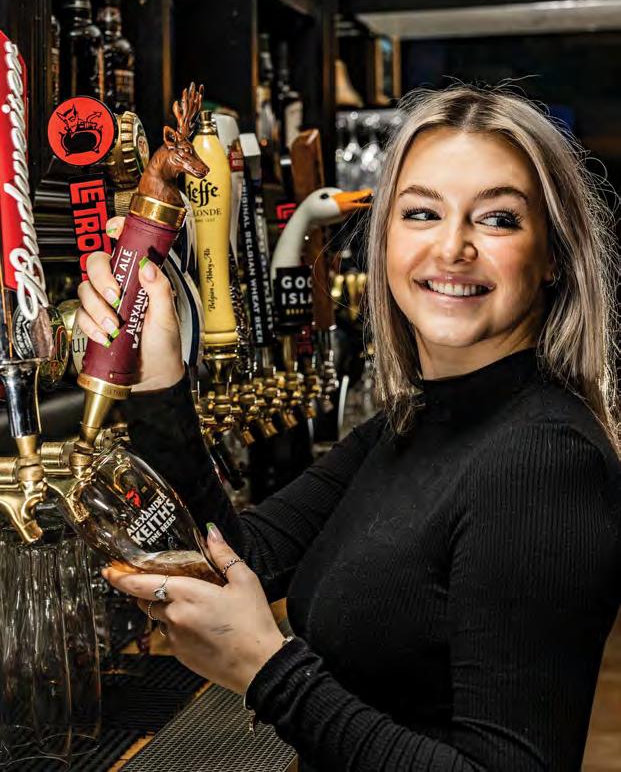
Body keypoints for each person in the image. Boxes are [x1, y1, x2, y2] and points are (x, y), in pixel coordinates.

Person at [78, 85, 621, 771]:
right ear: (385, 239)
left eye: (497, 219)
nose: (451, 247)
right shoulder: (412, 422)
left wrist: (268, 671)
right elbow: (231, 555)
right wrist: (159, 379)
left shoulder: (544, 461)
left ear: (553, 256)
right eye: (421, 212)